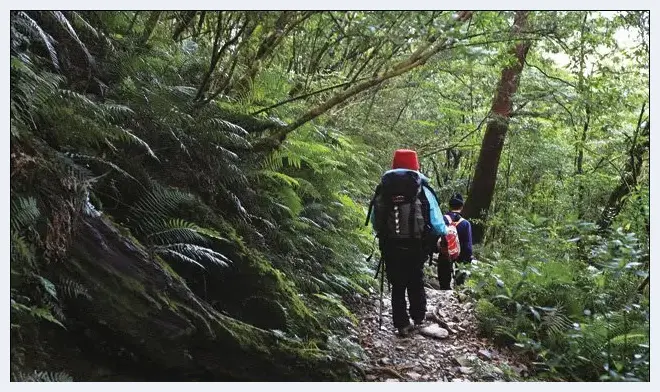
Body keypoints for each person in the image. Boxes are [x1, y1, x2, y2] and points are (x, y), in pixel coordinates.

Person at [367, 149, 447, 336]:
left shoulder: (384, 190)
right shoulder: (423, 190)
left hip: (391, 246)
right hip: (416, 247)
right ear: (416, 166)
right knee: (416, 282)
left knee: (397, 285)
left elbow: (374, 221)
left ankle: (401, 324)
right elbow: (437, 224)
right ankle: (418, 320)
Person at [441, 193, 473, 287]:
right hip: (460, 256)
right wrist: (468, 258)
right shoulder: (465, 223)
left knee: (444, 282)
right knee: (459, 282)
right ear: (462, 206)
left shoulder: (442, 219)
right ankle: (458, 288)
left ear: (449, 205)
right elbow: (468, 246)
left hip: (445, 254)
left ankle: (444, 291)